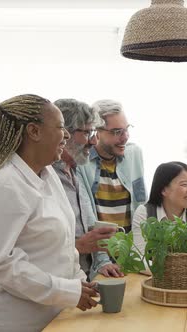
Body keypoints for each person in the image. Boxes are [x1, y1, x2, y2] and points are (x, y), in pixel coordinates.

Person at [0, 95, 98, 332]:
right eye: (61, 127)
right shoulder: (5, 185)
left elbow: (60, 247)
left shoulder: (47, 175)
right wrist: (66, 290)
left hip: (41, 318)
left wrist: (80, 283)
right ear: (33, 131)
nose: (67, 135)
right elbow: (1, 264)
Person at [53, 98, 123, 279]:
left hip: (81, 280)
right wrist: (79, 246)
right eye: (87, 132)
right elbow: (34, 250)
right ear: (64, 133)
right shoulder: (44, 178)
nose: (93, 141)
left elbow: (90, 232)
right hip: (57, 284)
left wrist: (103, 262)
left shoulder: (76, 173)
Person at [79, 99, 147, 233]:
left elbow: (142, 204)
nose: (125, 137)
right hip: (100, 249)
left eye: (126, 129)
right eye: (117, 132)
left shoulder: (134, 154)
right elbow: (87, 217)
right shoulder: (81, 163)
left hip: (132, 250)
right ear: (96, 131)